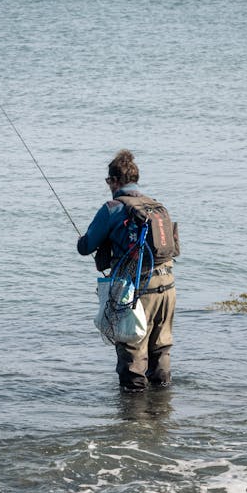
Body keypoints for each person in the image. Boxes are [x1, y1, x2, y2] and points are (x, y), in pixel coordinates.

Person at [77, 150, 177, 391]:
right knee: (160, 351)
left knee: (132, 358)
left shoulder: (113, 208)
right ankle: (162, 414)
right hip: (168, 287)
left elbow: (85, 246)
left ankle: (133, 424)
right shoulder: (156, 206)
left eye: (107, 182)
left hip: (137, 291)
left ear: (114, 181)